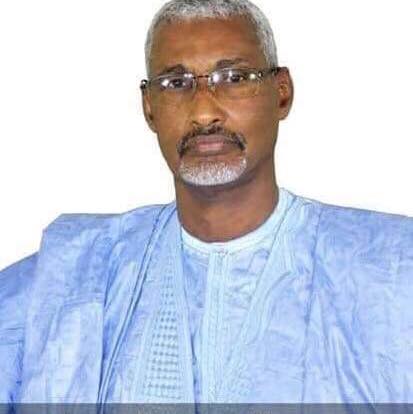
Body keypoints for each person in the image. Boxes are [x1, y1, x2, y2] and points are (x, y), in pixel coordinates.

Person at [0, 0, 412, 404]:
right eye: (175, 83)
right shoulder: (70, 278)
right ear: (149, 108)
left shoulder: (391, 272)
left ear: (282, 93)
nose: (203, 113)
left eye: (234, 77)